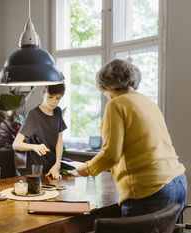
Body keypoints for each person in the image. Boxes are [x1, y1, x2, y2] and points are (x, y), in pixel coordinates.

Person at [76, 59, 187, 218]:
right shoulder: (147, 101)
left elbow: (111, 154)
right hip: (178, 182)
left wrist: (87, 168)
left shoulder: (116, 105)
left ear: (107, 86)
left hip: (150, 188)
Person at [12, 83, 66, 179]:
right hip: (36, 171)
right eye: (50, 97)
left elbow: (59, 142)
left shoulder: (58, 112)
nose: (53, 102)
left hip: (53, 168)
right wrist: (34, 147)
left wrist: (57, 164)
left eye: (57, 98)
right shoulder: (34, 115)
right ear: (43, 94)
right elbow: (16, 144)